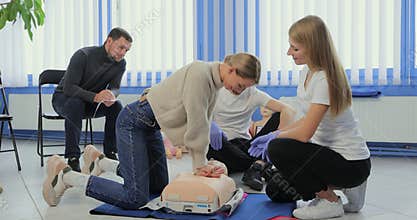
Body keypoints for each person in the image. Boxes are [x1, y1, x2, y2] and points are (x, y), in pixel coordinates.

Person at [42, 53, 261, 209]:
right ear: (231, 69)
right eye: (241, 85)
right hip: (133, 122)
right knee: (135, 197)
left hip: (150, 126)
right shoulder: (201, 75)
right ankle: (67, 176)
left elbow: (203, 120)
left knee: (158, 189)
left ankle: (101, 162)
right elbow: (197, 124)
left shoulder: (215, 82)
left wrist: (202, 162)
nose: (238, 91)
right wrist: (200, 165)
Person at [248, 15, 371, 219]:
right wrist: (276, 132)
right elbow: (306, 120)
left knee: (278, 148)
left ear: (313, 48)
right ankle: (342, 187)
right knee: (276, 191)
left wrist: (274, 138)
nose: (289, 52)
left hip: (350, 163)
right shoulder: (306, 72)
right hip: (327, 155)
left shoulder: (325, 80)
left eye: (295, 48)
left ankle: (330, 200)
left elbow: (305, 134)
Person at [52, 27, 132, 171]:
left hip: (89, 103)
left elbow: (115, 87)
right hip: (64, 99)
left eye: (126, 50)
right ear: (109, 41)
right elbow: (69, 88)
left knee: (116, 106)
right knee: (76, 104)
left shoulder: (121, 63)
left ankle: (110, 152)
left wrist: (111, 94)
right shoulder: (83, 55)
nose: (123, 53)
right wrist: (95, 96)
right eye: (121, 47)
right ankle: (73, 158)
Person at [206, 86, 296, 191]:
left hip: (245, 146)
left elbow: (289, 110)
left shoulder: (254, 93)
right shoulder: (214, 91)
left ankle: (255, 166)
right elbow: (194, 112)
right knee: (211, 139)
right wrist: (208, 123)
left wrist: (277, 135)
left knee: (279, 116)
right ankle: (258, 165)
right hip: (221, 145)